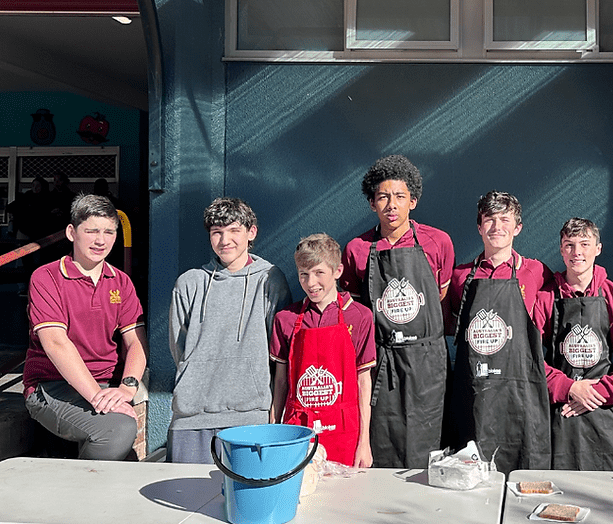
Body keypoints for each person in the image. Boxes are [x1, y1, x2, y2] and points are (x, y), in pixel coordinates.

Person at [339, 155, 454, 468]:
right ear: (372, 203)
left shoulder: (437, 241)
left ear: (413, 201)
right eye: (383, 197)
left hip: (428, 361)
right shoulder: (357, 249)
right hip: (382, 361)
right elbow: (357, 312)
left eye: (400, 196)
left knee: (427, 447)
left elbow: (440, 294)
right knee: (382, 442)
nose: (392, 204)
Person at [23, 194, 147, 460]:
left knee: (125, 449)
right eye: (91, 231)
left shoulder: (121, 281)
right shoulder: (46, 277)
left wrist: (127, 388)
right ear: (71, 232)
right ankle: (80, 497)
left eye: (109, 232)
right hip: (52, 386)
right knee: (118, 430)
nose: (100, 240)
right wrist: (97, 397)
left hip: (107, 384)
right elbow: (56, 343)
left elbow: (136, 342)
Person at [168, 197, 291, 463]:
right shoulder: (189, 283)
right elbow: (179, 348)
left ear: (251, 232)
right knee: (184, 498)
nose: (225, 240)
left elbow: (279, 351)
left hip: (250, 416)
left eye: (234, 230)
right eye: (217, 233)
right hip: (192, 417)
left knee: (244, 500)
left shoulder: (270, 279)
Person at [445, 191, 553, 473]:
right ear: (479, 227)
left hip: (521, 395)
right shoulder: (460, 277)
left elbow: (573, 291)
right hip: (474, 396)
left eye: (505, 219)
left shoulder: (537, 272)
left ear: (517, 227)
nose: (497, 226)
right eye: (489, 220)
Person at [532, 218, 613, 470]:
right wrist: (568, 387)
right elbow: (529, 358)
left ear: (598, 248)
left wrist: (597, 394)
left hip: (603, 411)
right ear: (561, 250)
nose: (577, 252)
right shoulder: (545, 298)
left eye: (585, 244)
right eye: (569, 245)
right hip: (560, 410)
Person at [271, 234, 376, 467]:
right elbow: (280, 382)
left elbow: (363, 382)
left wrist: (365, 442)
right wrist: (274, 432)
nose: (311, 283)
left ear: (337, 271)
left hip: (345, 433)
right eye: (304, 274)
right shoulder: (285, 319)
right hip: (298, 433)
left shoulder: (359, 316)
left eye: (319, 273)